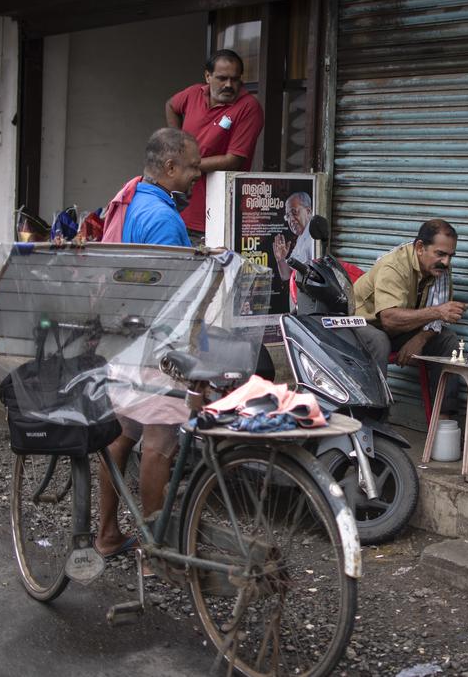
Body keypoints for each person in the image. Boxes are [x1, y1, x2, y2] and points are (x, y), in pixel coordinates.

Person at [95, 127, 201, 559]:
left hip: (126, 340)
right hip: (156, 344)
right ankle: (159, 553)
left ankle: (106, 535)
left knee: (120, 435)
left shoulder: (136, 198)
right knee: (159, 444)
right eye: (193, 166)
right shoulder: (161, 218)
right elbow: (168, 292)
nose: (198, 174)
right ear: (171, 167)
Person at [352, 219, 468, 421]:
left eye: (451, 256)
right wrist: (438, 312)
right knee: (379, 341)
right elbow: (389, 319)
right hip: (360, 325)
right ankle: (375, 417)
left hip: (397, 330)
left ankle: (443, 421)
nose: (447, 262)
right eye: (440, 254)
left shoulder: (439, 269)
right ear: (420, 247)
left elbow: (437, 320)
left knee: (449, 342)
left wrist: (420, 338)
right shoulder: (394, 266)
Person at [165, 48, 265, 242]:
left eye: (235, 79)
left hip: (215, 216)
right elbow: (171, 105)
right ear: (208, 76)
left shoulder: (248, 107)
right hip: (180, 211)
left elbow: (233, 160)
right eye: (222, 78)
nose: (229, 85)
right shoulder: (193, 93)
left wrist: (184, 165)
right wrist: (175, 141)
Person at [272, 191, 314, 283]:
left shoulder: (313, 238)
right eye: (288, 216)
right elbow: (287, 275)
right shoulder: (302, 237)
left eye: (294, 212)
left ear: (308, 211)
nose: (291, 220)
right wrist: (281, 259)